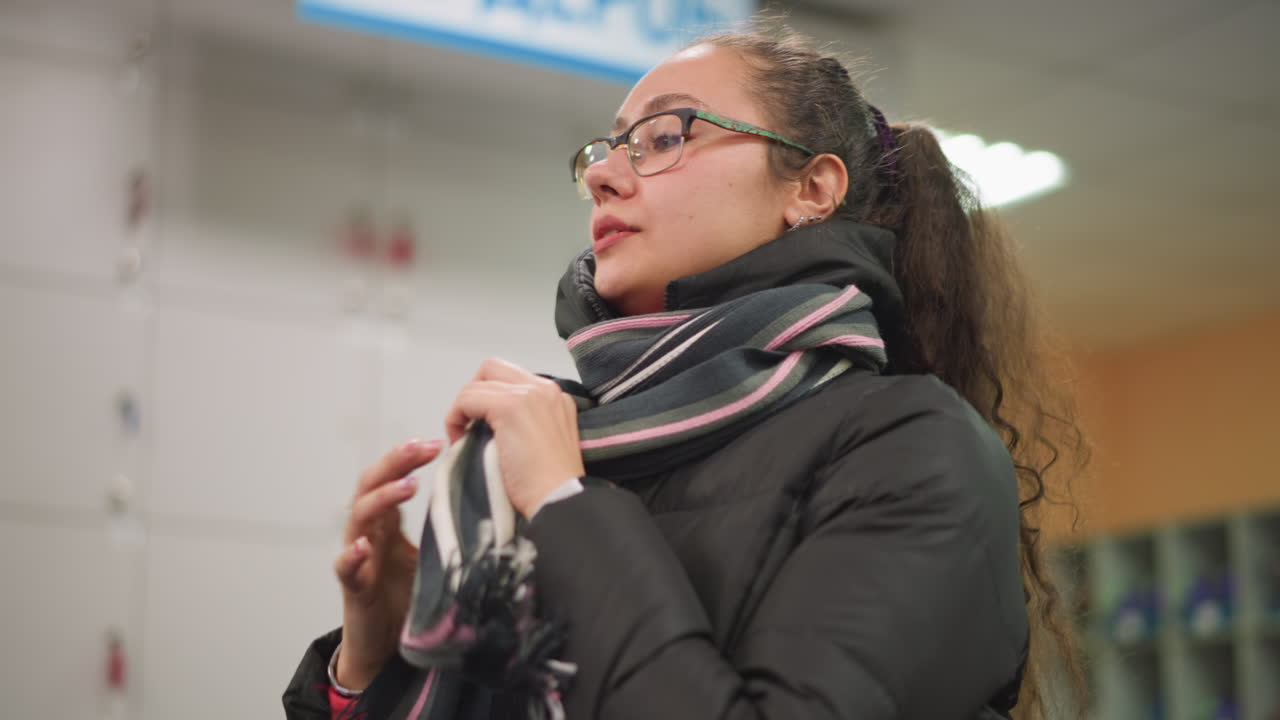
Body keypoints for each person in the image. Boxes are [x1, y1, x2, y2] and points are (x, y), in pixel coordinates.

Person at [284, 25, 1086, 720]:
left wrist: (567, 508)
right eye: (606, 149)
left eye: (666, 137)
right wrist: (372, 658)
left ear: (811, 188)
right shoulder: (565, 437)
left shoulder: (916, 445)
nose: (603, 174)